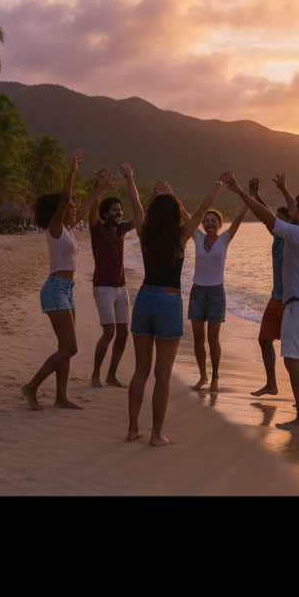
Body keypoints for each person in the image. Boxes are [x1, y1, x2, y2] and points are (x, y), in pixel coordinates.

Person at [127, 173, 231, 446]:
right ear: (175, 213)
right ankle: (156, 435)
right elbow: (200, 210)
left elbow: (136, 205)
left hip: (143, 297)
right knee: (163, 374)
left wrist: (131, 179)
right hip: (168, 300)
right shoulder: (182, 235)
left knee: (140, 370)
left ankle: (132, 428)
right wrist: (218, 183)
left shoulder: (143, 233)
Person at [222, 171, 299, 431]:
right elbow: (287, 211)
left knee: (292, 361)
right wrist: (283, 190)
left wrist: (241, 193)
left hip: (298, 305)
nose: (291, 210)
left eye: (294, 209)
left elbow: (270, 218)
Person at [21, 151, 102, 410]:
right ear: (59, 211)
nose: (74, 207)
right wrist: (73, 170)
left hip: (67, 290)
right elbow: (66, 197)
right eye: (70, 206)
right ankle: (31, 386)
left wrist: (100, 187)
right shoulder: (55, 227)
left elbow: (86, 206)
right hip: (54, 289)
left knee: (65, 347)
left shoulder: (67, 229)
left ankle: (61, 398)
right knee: (71, 348)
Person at [188, 190, 251, 392]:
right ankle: (203, 377)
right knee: (198, 338)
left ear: (220, 223)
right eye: (206, 221)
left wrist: (250, 198)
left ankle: (215, 377)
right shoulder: (196, 237)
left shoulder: (225, 239)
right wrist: (170, 194)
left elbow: (240, 217)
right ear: (202, 224)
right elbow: (184, 215)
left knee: (213, 338)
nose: (209, 224)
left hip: (216, 292)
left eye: (214, 220)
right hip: (197, 291)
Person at [88, 163, 144, 388]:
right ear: (105, 214)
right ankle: (95, 374)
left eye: (120, 210)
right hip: (103, 287)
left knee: (123, 334)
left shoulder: (121, 230)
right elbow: (91, 209)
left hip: (121, 287)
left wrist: (133, 181)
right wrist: (99, 187)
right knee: (109, 332)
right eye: (114, 210)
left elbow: (140, 214)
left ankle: (111, 375)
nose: (119, 213)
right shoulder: (97, 229)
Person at [246, 177, 291, 397]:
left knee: (295, 352)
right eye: (277, 219)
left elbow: (269, 217)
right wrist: (256, 196)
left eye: (281, 220)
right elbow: (266, 216)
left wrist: (283, 189)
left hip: (290, 301)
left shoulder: (292, 239)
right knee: (264, 339)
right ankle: (271, 384)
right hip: (275, 298)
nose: (275, 223)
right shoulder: (277, 236)